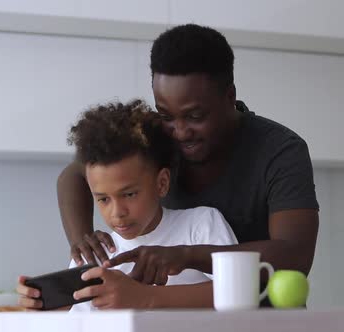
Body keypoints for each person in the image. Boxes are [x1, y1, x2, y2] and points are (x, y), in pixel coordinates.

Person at [57, 24, 319, 289]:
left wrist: (187, 255)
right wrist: (83, 241)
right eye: (166, 115)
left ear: (229, 96)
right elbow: (75, 173)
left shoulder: (279, 150)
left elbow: (294, 256)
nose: (180, 132)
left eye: (195, 116)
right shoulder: (151, 136)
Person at [17, 99, 237, 310]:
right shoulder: (96, 253)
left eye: (129, 194)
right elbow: (81, 320)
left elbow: (239, 291)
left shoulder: (200, 225)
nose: (117, 213)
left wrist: (144, 297)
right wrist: (42, 308)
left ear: (161, 183)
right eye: (103, 199)